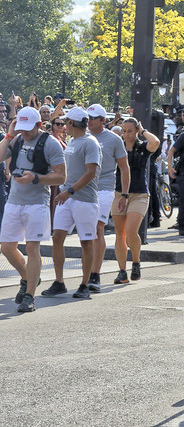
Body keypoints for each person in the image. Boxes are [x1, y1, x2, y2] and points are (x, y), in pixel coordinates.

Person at [0, 107, 66, 312]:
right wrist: (10, 134)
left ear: (39, 125)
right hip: (14, 201)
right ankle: (28, 277)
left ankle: (29, 296)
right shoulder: (16, 139)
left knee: (32, 248)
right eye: (21, 127)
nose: (24, 132)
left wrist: (36, 178)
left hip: (37, 202)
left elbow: (61, 176)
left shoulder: (51, 144)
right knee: (6, 247)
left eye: (28, 128)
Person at [41, 107, 102, 300]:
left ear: (73, 123)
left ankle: (84, 284)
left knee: (86, 242)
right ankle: (59, 282)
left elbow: (91, 173)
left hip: (84, 200)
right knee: (57, 238)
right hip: (67, 197)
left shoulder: (90, 143)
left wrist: (70, 191)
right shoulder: (73, 141)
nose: (64, 125)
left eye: (66, 122)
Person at [86, 104, 130, 291]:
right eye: (87, 118)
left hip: (104, 188)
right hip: (82, 189)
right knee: (85, 232)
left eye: (93, 118)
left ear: (103, 120)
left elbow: (124, 167)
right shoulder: (82, 137)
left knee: (98, 229)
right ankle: (86, 274)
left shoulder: (113, 139)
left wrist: (124, 194)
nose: (89, 121)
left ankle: (95, 274)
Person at [112, 118, 160, 283]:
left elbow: (155, 142)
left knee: (131, 231)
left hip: (139, 194)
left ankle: (136, 262)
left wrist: (143, 129)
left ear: (136, 131)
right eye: (124, 131)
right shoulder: (118, 147)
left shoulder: (142, 147)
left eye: (130, 131)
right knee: (120, 233)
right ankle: (122, 271)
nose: (126, 134)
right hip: (119, 193)